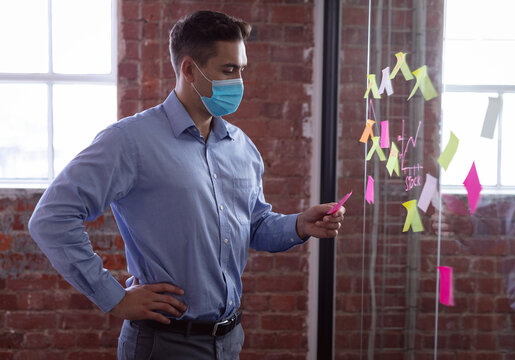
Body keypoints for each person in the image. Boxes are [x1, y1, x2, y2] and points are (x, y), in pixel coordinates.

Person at [28, 10, 346, 360]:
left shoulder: (242, 147)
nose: (239, 81)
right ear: (190, 70)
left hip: (229, 341)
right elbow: (51, 217)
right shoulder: (130, 141)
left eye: (241, 69)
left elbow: (252, 225)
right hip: (164, 345)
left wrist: (299, 224)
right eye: (229, 70)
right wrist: (114, 297)